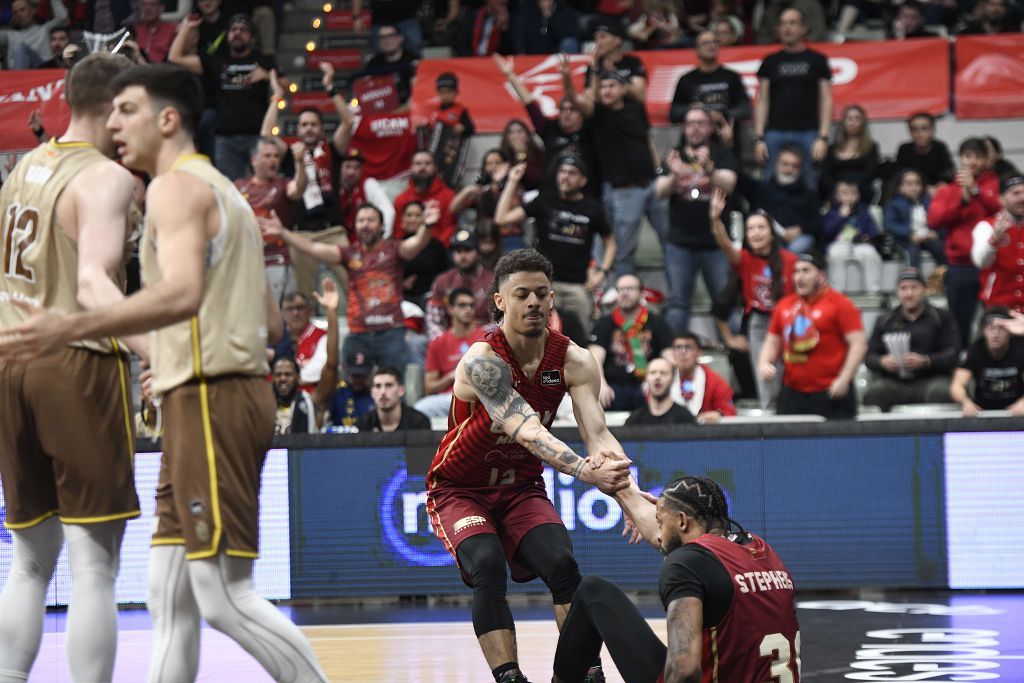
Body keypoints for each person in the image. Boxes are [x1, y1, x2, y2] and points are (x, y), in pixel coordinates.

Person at [0, 63, 327, 682]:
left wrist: (99, 334)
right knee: (165, 594)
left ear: (166, 119)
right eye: (114, 109)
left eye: (130, 111)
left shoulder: (163, 189)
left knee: (219, 595)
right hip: (185, 387)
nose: (117, 124)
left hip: (206, 394)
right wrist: (174, 349)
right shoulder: (220, 191)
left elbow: (178, 293)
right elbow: (270, 326)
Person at [425, 248, 634, 683]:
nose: (534, 302)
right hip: (460, 489)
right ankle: (509, 678)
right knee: (486, 566)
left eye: (542, 293)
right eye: (522, 294)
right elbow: (527, 431)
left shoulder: (574, 359)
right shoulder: (482, 360)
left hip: (520, 488)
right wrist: (582, 471)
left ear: (553, 298)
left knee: (561, 564)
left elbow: (598, 435)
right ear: (500, 301)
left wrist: (628, 493)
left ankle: (584, 672)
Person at [0, 53, 142, 683]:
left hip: (9, 361)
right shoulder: (107, 178)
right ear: (112, 108)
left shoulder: (21, 167)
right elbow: (91, 285)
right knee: (93, 563)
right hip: (74, 362)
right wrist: (159, 352)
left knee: (30, 557)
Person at [552, 475, 800, 683]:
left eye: (661, 522)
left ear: (682, 521)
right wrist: (626, 495)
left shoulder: (686, 562)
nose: (658, 531)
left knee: (593, 591)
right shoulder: (761, 549)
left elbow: (685, 668)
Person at [267, 203, 431, 372]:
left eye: (370, 220)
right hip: (358, 334)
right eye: (361, 220)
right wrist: (283, 232)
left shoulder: (394, 249)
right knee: (353, 383)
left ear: (382, 226)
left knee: (394, 384)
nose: (365, 224)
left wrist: (427, 226)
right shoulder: (349, 253)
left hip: (390, 333)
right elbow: (313, 247)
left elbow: (417, 243)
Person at [563, 59, 666, 281]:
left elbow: (648, 141)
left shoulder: (636, 108)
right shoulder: (597, 114)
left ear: (623, 88)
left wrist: (659, 172)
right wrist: (567, 81)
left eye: (611, 86)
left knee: (671, 242)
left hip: (652, 185)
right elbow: (578, 102)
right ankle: (621, 297)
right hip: (623, 192)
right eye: (602, 87)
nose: (606, 90)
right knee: (623, 252)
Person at [495, 156, 616, 336]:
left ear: (583, 180)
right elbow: (502, 218)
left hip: (578, 287)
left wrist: (603, 272)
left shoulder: (593, 208)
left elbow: (610, 242)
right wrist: (512, 181)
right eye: (562, 172)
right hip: (545, 285)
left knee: (579, 341)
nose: (565, 177)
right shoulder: (544, 201)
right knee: (537, 337)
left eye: (572, 173)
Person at [710, 188, 798, 408]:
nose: (756, 233)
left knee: (792, 376)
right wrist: (715, 220)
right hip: (759, 325)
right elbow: (725, 245)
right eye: (750, 229)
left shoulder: (790, 260)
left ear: (771, 232)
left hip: (789, 324)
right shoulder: (745, 260)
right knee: (766, 379)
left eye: (761, 227)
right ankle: (770, 425)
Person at [655, 106, 739, 333]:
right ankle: (672, 359)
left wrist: (710, 168)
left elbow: (730, 184)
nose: (695, 128)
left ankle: (736, 357)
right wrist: (675, 174)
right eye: (691, 123)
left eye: (701, 123)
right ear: (684, 127)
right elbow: (660, 191)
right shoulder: (675, 155)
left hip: (716, 243)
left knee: (724, 302)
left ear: (711, 127)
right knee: (677, 304)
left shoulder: (721, 153)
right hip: (680, 242)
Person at [169, 12, 278, 180]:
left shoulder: (262, 61)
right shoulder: (217, 60)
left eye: (243, 29)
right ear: (227, 35)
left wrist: (267, 76)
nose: (237, 33)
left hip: (256, 137)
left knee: (260, 186)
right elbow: (175, 58)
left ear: (252, 37)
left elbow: (287, 86)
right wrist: (186, 27)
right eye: (233, 30)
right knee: (230, 192)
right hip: (225, 140)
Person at [759, 252, 867, 419]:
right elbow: (772, 341)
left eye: (806, 271)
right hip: (792, 392)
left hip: (831, 391)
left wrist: (845, 379)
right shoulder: (784, 305)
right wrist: (764, 362)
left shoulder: (840, 304)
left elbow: (859, 344)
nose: (799, 277)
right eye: (796, 271)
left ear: (821, 275)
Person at [493, 53, 601, 200]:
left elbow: (594, 104)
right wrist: (510, 75)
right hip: (552, 198)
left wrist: (594, 71)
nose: (566, 113)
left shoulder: (589, 130)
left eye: (572, 109)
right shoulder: (550, 129)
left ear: (581, 113)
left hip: (587, 198)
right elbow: (530, 104)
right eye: (562, 109)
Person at [928, 137, 1002, 346]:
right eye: (968, 156)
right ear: (960, 159)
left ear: (987, 159)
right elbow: (934, 221)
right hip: (960, 265)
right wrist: (962, 201)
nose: (973, 162)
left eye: (978, 156)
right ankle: (960, 362)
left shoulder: (996, 184)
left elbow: (1001, 209)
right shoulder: (948, 190)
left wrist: (976, 191)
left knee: (996, 320)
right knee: (959, 321)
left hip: (993, 265)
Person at [753, 7, 832, 192]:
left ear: (804, 28)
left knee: (809, 183)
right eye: (783, 24)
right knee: (770, 183)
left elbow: (827, 99)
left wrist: (823, 136)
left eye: (792, 23)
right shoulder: (770, 62)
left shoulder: (817, 60)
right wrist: (759, 138)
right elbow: (762, 100)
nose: (787, 28)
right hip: (775, 133)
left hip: (808, 133)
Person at [863, 268, 960, 411]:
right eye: (904, 288)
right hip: (894, 382)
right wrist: (882, 361)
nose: (909, 294)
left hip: (932, 379)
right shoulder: (885, 320)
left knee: (941, 391)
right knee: (876, 392)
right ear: (897, 292)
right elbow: (869, 356)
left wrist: (927, 361)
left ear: (925, 289)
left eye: (914, 288)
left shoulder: (942, 318)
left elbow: (954, 353)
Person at [235, 136, 306, 304]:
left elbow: (298, 189)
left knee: (280, 315)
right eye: (267, 156)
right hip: (248, 262)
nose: (273, 160)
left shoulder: (282, 185)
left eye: (275, 156)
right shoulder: (238, 187)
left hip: (277, 261)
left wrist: (301, 163)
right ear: (254, 160)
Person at [589, 273, 675, 411]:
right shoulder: (604, 324)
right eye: (620, 289)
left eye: (630, 289)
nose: (624, 293)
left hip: (646, 383)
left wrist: (655, 380)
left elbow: (670, 359)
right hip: (613, 387)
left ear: (641, 293)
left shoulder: (657, 322)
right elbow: (594, 359)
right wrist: (601, 384)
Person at [668, 30, 751, 153]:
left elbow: (745, 109)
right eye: (706, 43)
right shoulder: (686, 79)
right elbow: (673, 114)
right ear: (697, 50)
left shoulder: (731, 77)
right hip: (695, 144)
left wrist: (723, 114)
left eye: (715, 42)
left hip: (726, 141)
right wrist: (695, 109)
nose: (711, 46)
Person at [416, 287, 488, 417]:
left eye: (471, 305)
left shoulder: (487, 338)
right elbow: (429, 387)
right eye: (462, 305)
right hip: (448, 397)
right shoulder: (438, 343)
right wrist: (452, 376)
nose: (468, 310)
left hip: (479, 396)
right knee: (420, 408)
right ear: (450, 309)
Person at [951, 307, 1024, 416]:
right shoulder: (974, 351)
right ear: (984, 331)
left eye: (1001, 328)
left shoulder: (1020, 350)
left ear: (1010, 331)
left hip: (1015, 410)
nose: (996, 334)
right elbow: (957, 385)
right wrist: (966, 402)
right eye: (991, 328)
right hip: (982, 411)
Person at [425, 229, 496, 340]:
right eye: (458, 251)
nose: (462, 256)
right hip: (451, 339)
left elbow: (501, 320)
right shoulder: (442, 281)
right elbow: (433, 321)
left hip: (486, 341)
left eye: (467, 250)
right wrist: (445, 342)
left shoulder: (492, 280)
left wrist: (478, 338)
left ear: (478, 253)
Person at [972, 173, 1024, 313]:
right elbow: (981, 262)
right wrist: (994, 240)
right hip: (998, 307)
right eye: (1016, 193)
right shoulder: (986, 226)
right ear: (1001, 199)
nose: (1022, 198)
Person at [822, 180, 883, 294]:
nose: (849, 197)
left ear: (858, 196)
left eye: (853, 193)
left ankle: (874, 290)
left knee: (870, 253)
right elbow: (826, 233)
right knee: (836, 254)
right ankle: (836, 292)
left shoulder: (863, 212)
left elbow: (873, 232)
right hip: (838, 244)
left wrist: (868, 238)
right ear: (837, 196)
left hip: (860, 245)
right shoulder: (831, 213)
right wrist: (841, 217)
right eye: (845, 193)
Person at [393, 150, 459, 247]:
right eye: (418, 163)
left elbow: (449, 227)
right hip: (408, 250)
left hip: (438, 249)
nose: (423, 167)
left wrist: (436, 248)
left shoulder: (449, 196)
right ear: (411, 168)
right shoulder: (401, 199)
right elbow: (398, 231)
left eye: (427, 163)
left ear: (435, 168)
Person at [670, 331, 737, 423]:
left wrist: (718, 414)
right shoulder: (663, 378)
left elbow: (730, 413)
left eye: (688, 347)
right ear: (672, 352)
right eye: (678, 347)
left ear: (699, 352)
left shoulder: (715, 382)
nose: (683, 352)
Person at [819, 104, 880, 203]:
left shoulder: (871, 147)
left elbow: (871, 172)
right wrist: (839, 188)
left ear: (863, 123)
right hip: (835, 192)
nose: (853, 122)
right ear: (843, 122)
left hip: (861, 192)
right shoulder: (831, 149)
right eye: (850, 119)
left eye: (857, 119)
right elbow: (826, 175)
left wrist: (852, 188)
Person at [885, 168, 943, 269]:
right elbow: (889, 224)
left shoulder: (928, 201)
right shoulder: (894, 203)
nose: (914, 187)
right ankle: (914, 279)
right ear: (900, 187)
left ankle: (942, 277)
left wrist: (936, 232)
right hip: (905, 240)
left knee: (940, 248)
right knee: (912, 252)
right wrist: (909, 234)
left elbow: (940, 219)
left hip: (926, 236)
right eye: (909, 184)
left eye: (917, 183)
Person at [584, 22, 648, 101]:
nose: (598, 42)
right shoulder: (595, 65)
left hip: (629, 108)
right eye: (596, 38)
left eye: (603, 37)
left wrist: (615, 74)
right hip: (604, 111)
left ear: (618, 40)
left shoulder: (632, 61)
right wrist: (596, 73)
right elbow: (591, 99)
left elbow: (640, 95)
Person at [894, 112, 955, 195]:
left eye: (924, 128)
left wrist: (942, 184)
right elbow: (900, 176)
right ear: (910, 131)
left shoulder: (940, 147)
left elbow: (949, 172)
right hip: (911, 192)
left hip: (936, 191)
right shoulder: (904, 149)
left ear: (932, 130)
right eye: (915, 129)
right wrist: (924, 188)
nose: (919, 134)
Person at [624, 357, 697, 425]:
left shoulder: (685, 419)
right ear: (646, 378)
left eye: (663, 373)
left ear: (673, 379)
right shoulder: (634, 420)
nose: (657, 377)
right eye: (653, 373)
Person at [357, 366, 432, 431]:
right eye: (378, 386)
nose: (383, 392)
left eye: (389, 385)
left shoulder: (419, 422)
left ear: (401, 390)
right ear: (372, 393)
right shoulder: (363, 424)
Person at [0, 0, 68, 69]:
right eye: (15, 12)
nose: (19, 14)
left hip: (42, 72)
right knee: (20, 48)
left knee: (20, 48)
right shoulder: (8, 35)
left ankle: (19, 79)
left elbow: (62, 18)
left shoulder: (44, 29)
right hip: (15, 74)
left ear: (33, 10)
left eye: (22, 10)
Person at [515, 0, 581, 54]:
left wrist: (549, 18)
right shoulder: (530, 13)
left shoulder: (566, 12)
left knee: (569, 43)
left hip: (557, 54)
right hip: (536, 54)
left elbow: (570, 37)